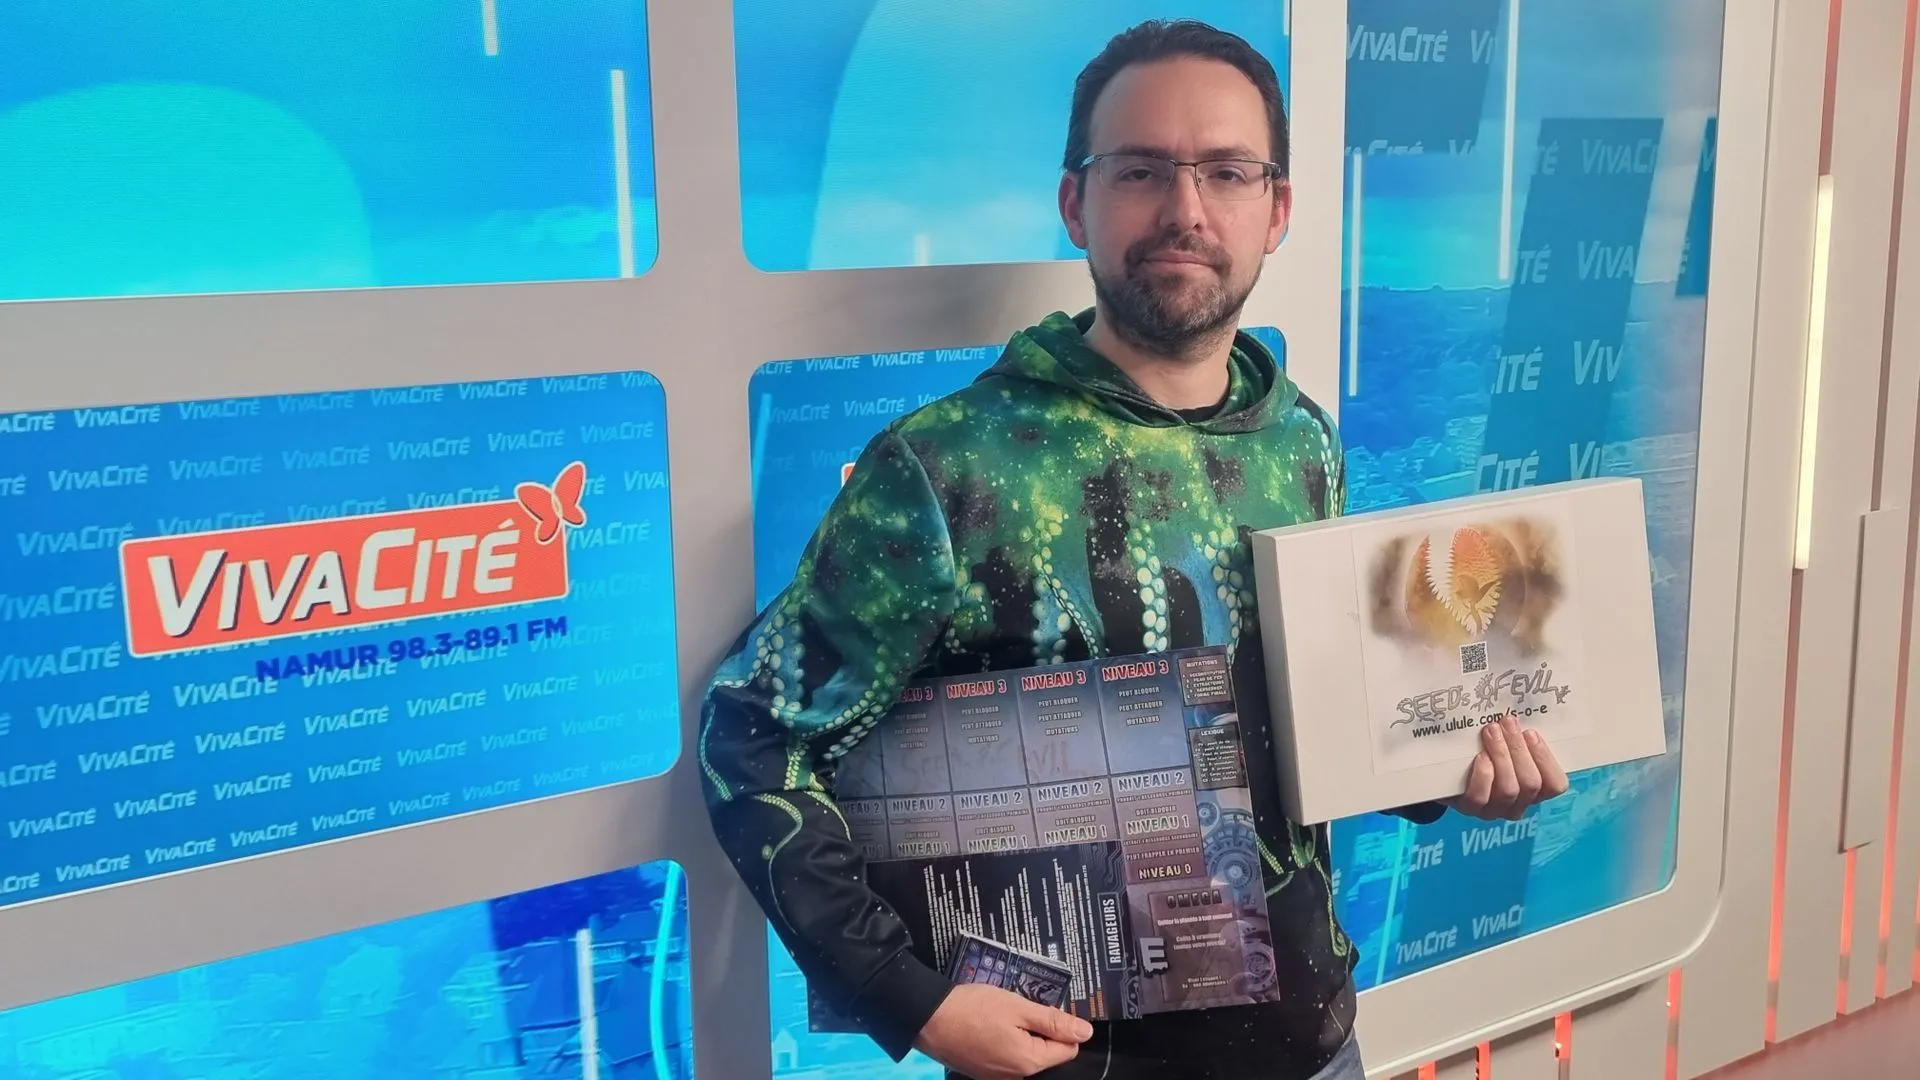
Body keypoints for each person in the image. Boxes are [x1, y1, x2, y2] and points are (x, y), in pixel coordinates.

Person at [700, 19, 1571, 1080]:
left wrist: (1448, 773)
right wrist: (910, 999)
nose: (1186, 210)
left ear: (1277, 210)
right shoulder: (948, 465)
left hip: (1316, 1048)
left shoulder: (1300, 440)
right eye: (1142, 170)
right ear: (1077, 201)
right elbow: (754, 734)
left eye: (1227, 171)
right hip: (1063, 1063)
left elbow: (1299, 722)